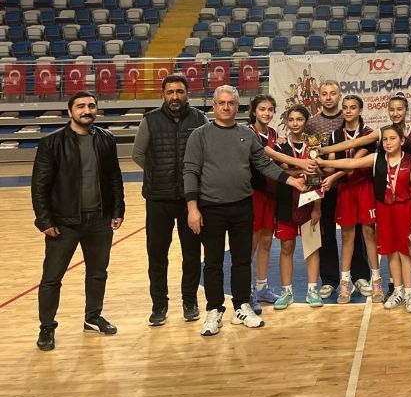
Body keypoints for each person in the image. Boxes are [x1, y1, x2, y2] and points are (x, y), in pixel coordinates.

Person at [184, 85, 308, 336]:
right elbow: (190, 171)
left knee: (242, 260)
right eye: (221, 103)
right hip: (211, 207)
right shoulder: (199, 135)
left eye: (231, 103)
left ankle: (241, 306)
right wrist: (192, 208)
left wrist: (291, 181)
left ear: (237, 106)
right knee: (213, 262)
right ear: (214, 106)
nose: (226, 107)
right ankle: (214, 310)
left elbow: (264, 164)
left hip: (242, 205)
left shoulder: (245, 135)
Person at [32, 91, 125, 351]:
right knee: (52, 277)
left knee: (97, 273)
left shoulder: (106, 139)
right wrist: (45, 220)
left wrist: (118, 210)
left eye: (91, 106)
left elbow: (114, 177)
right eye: (81, 106)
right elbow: (39, 186)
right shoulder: (51, 143)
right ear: (70, 111)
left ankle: (92, 318)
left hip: (99, 220)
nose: (87, 110)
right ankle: (47, 328)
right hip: (64, 223)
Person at [321, 124, 411, 312]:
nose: (388, 142)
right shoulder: (376, 159)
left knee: (405, 252)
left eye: (393, 138)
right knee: (391, 251)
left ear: (402, 141)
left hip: (404, 209)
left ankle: (409, 293)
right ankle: (398, 291)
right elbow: (350, 164)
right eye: (385, 139)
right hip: (384, 209)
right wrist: (322, 161)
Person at [132, 74, 206, 326]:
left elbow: (206, 153)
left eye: (179, 91)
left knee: (192, 254)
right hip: (158, 199)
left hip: (190, 200)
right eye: (170, 92)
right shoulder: (150, 120)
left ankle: (190, 301)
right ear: (163, 95)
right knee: (157, 255)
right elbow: (138, 154)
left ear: (187, 93)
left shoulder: (199, 119)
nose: (175, 96)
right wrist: (157, 173)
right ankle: (159, 305)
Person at [305, 80, 370, 300]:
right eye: (324, 93)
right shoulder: (311, 123)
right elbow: (303, 146)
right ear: (319, 97)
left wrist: (335, 173)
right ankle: (330, 280)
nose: (328, 97)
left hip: (348, 183)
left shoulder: (350, 118)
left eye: (333, 93)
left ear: (339, 96)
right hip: (323, 183)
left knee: (356, 230)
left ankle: (360, 276)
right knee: (326, 232)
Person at [321, 95, 383, 304]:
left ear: (360, 110)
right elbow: (331, 164)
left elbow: (353, 163)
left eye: (353, 107)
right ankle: (345, 283)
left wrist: (332, 176)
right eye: (345, 107)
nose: (348, 111)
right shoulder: (335, 134)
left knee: (369, 233)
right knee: (347, 236)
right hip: (345, 189)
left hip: (364, 186)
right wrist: (316, 165)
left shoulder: (368, 134)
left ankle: (376, 281)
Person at [269, 105, 324, 309]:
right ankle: (287, 291)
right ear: (286, 122)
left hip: (310, 201)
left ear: (306, 122)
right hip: (286, 201)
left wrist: (317, 206)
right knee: (286, 247)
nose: (295, 123)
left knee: (312, 247)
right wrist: (299, 171)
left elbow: (318, 175)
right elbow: (279, 170)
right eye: (291, 120)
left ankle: (312, 290)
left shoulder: (314, 145)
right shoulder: (280, 146)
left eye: (299, 119)